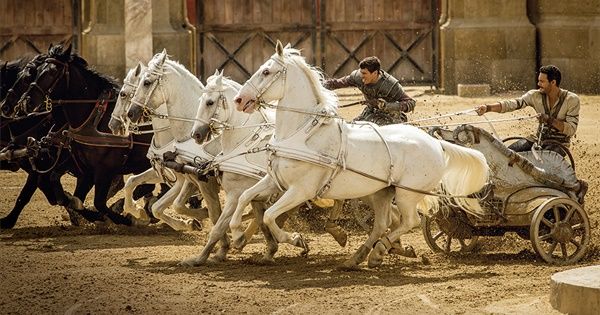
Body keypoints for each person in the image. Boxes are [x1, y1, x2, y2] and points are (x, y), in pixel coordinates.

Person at [474, 65, 587, 202]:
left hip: (558, 144)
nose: (538, 84)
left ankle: (577, 186)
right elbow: (513, 103)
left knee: (542, 170)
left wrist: (549, 120)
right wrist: (488, 108)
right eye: (538, 80)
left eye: (542, 81)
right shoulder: (535, 95)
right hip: (537, 140)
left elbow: (571, 129)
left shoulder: (572, 100)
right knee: (507, 154)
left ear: (553, 82)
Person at [323, 56, 415, 125]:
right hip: (370, 113)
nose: (361, 76)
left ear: (375, 73)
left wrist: (386, 105)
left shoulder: (391, 85)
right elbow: (337, 83)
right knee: (353, 128)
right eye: (361, 72)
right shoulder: (357, 77)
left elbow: (411, 103)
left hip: (390, 118)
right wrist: (318, 84)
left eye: (364, 73)